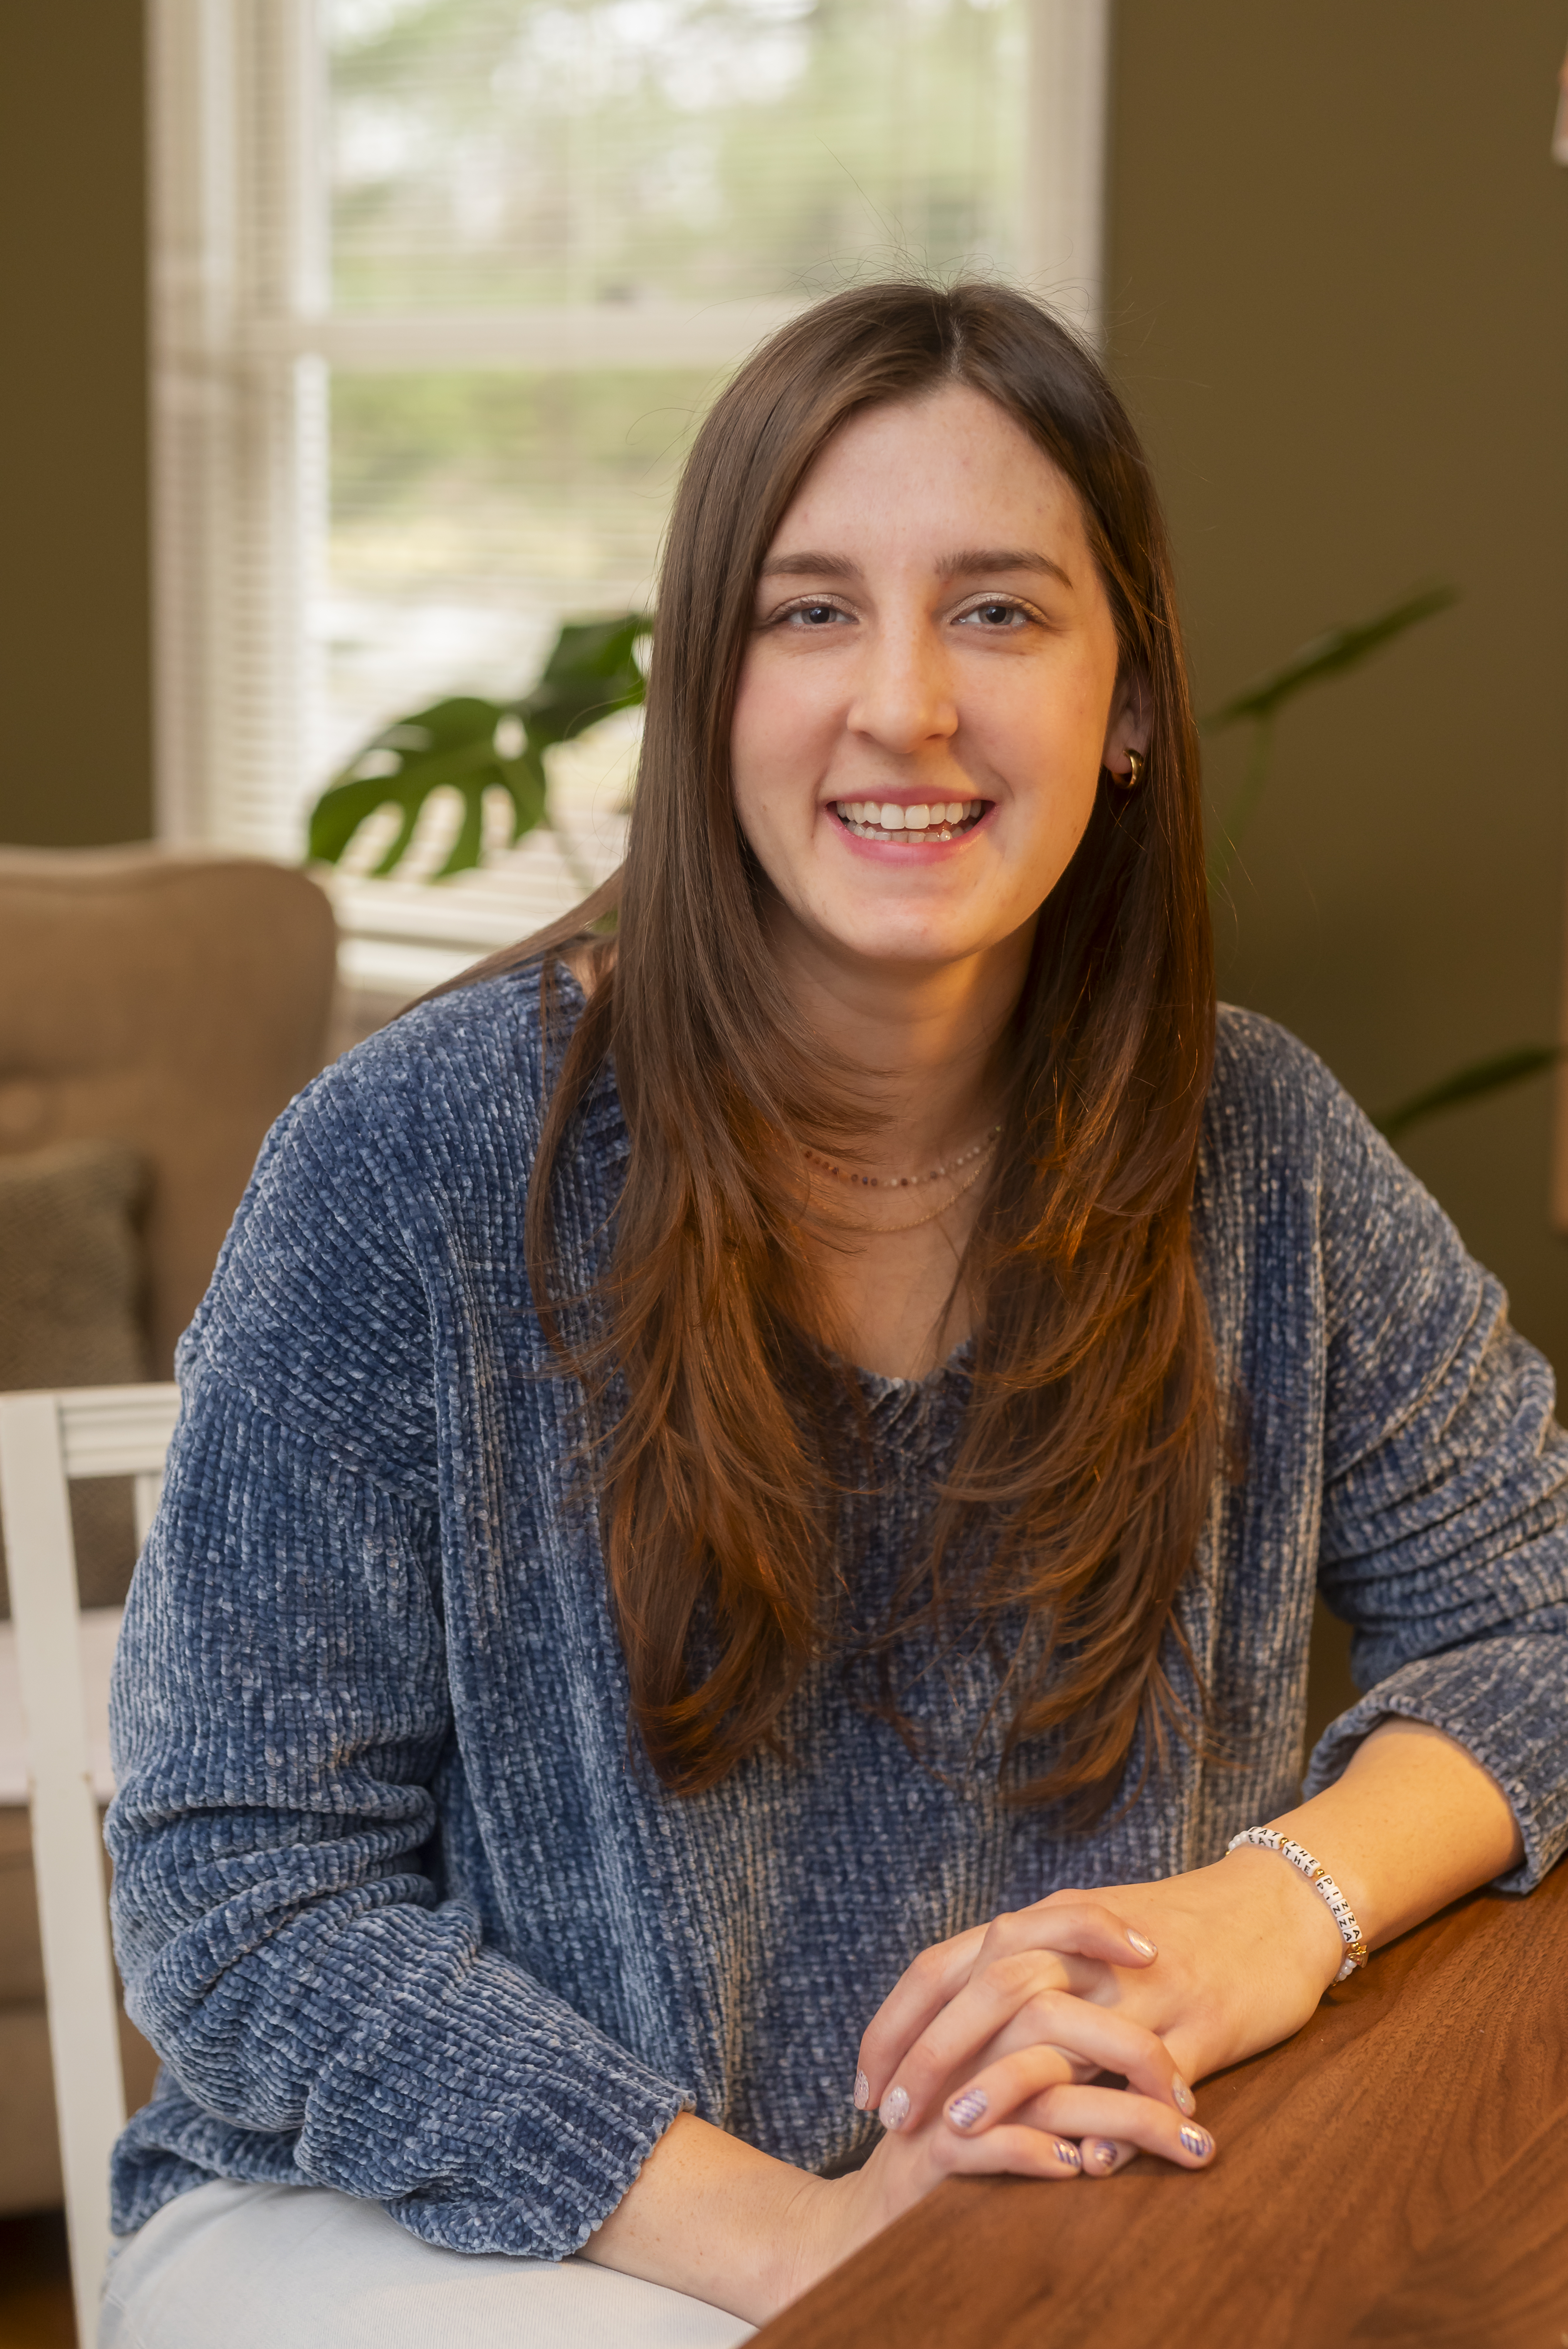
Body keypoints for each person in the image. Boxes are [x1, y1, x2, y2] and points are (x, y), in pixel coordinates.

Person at [101, 280, 1568, 2348]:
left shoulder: (1258, 1151)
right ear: (708, 691)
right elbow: (240, 1895)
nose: (906, 705)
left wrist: (1275, 1911)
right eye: (809, 613)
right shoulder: (411, 1168)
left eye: (998, 611)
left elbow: (1544, 1608)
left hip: (1048, 2218)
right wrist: (827, 2261)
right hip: (443, 2227)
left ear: (1129, 701)